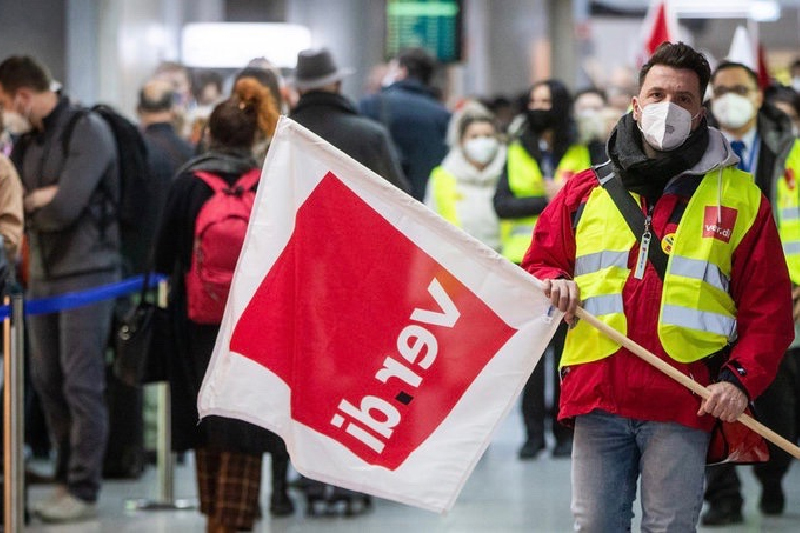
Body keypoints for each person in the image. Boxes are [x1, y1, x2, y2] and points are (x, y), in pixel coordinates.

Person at [523, 42, 794, 532]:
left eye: (683, 99)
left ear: (700, 113)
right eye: (657, 94)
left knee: (670, 527)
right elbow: (540, 263)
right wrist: (553, 283)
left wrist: (738, 379)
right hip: (596, 392)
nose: (667, 107)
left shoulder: (738, 196)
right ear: (636, 103)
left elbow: (768, 310)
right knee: (595, 526)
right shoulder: (585, 190)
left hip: (683, 396)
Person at [154, 78, 290, 532]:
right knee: (246, 422)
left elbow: (162, 257)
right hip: (255, 323)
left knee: (206, 416)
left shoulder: (188, 184)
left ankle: (215, 513)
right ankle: (236, 517)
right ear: (255, 135)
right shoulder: (269, 183)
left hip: (194, 322)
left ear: (207, 134)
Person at [0, 54, 120, 523]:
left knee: (81, 383)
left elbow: (66, 206)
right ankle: (64, 477)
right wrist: (37, 200)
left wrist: (33, 203)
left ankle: (84, 488)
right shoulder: (29, 139)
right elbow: (22, 201)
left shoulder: (87, 131)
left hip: (88, 276)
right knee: (47, 382)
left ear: (22, 97)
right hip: (43, 277)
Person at [701, 60, 800, 526]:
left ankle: (773, 477)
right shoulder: (696, 152)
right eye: (719, 90)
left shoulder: (790, 150)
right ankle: (724, 496)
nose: (728, 97)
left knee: (777, 402)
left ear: (758, 95)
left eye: (737, 88)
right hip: (710, 296)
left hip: (781, 300)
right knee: (711, 399)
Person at [495, 79, 591, 460]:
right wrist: (545, 199)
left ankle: (564, 433)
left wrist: (561, 200)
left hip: (574, 264)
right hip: (525, 266)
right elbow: (502, 204)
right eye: (533, 100)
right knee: (532, 357)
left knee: (567, 353)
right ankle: (533, 434)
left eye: (546, 101)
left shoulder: (585, 149)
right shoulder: (516, 150)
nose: (538, 107)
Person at [290, 48, 410, 193]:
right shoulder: (371, 136)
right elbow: (400, 199)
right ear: (338, 83)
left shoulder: (283, 137)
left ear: (298, 89)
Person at [359, 47, 450, 201]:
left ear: (402, 71)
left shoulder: (372, 105)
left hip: (380, 200)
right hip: (424, 203)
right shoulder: (442, 115)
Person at [426, 102, 505, 251]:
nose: (481, 142)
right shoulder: (443, 176)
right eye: (474, 137)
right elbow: (430, 227)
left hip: (507, 264)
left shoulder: (508, 173)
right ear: (462, 141)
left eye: (488, 136)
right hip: (457, 263)